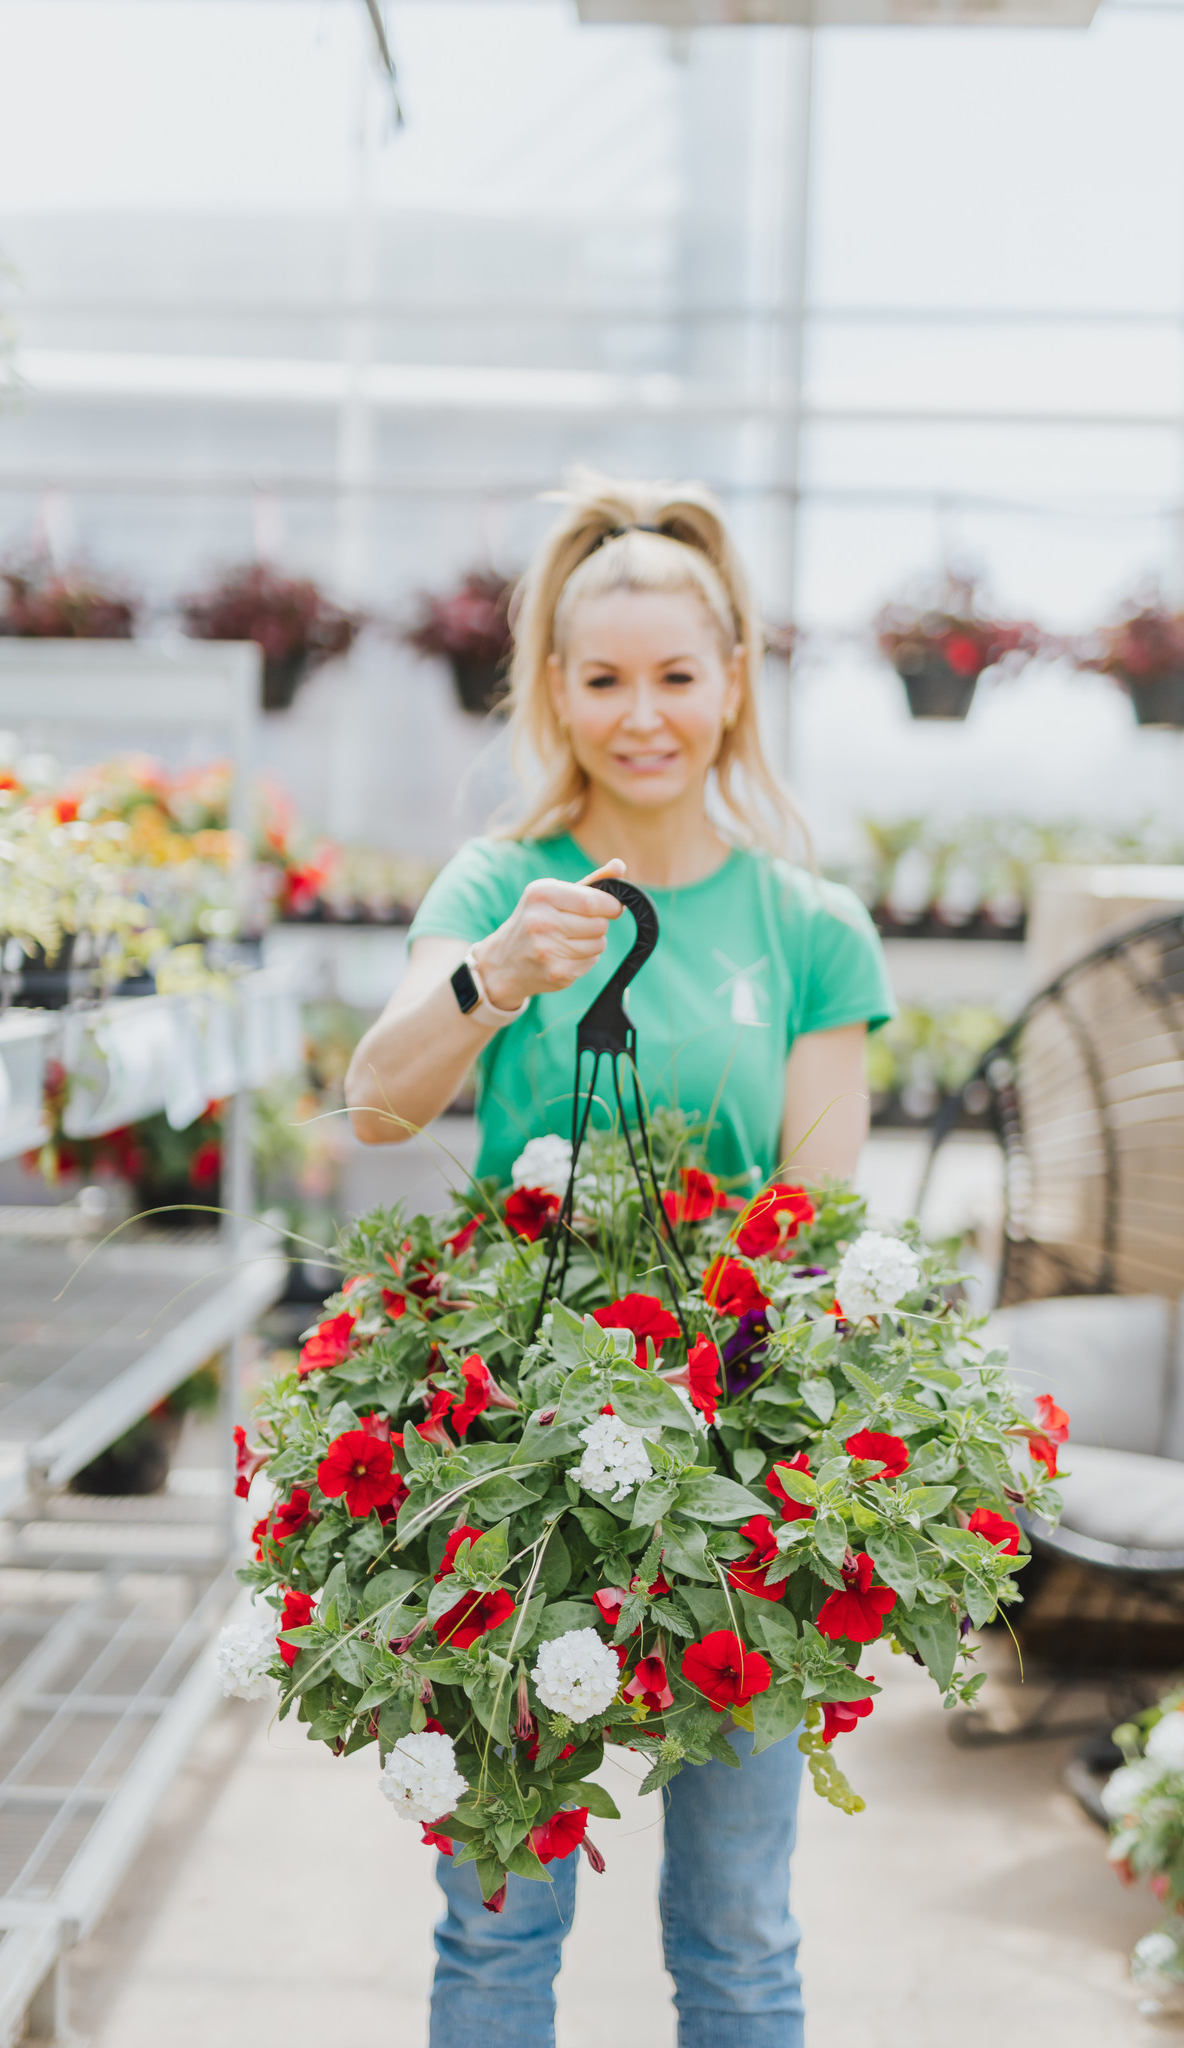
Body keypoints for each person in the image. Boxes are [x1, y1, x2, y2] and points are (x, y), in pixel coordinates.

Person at [347, 473, 895, 2048]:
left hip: (733, 1464)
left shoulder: (807, 927)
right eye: (602, 680)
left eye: (674, 676)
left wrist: (743, 1412)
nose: (639, 715)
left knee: (733, 1933)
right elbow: (377, 1103)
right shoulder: (492, 891)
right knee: (497, 1930)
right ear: (553, 692)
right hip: (514, 1454)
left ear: (732, 681)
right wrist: (493, 973)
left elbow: (813, 1221)